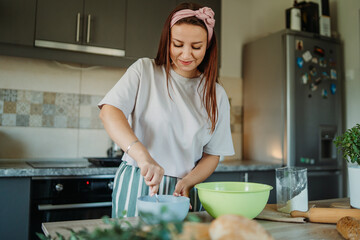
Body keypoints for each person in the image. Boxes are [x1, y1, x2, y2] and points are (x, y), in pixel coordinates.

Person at [98, 2, 234, 218]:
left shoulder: (215, 94)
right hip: (138, 179)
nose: (186, 54)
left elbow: (212, 154)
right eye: (178, 44)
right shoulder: (145, 70)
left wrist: (188, 182)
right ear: (166, 41)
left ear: (207, 46)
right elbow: (109, 112)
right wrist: (144, 157)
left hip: (184, 190)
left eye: (196, 47)